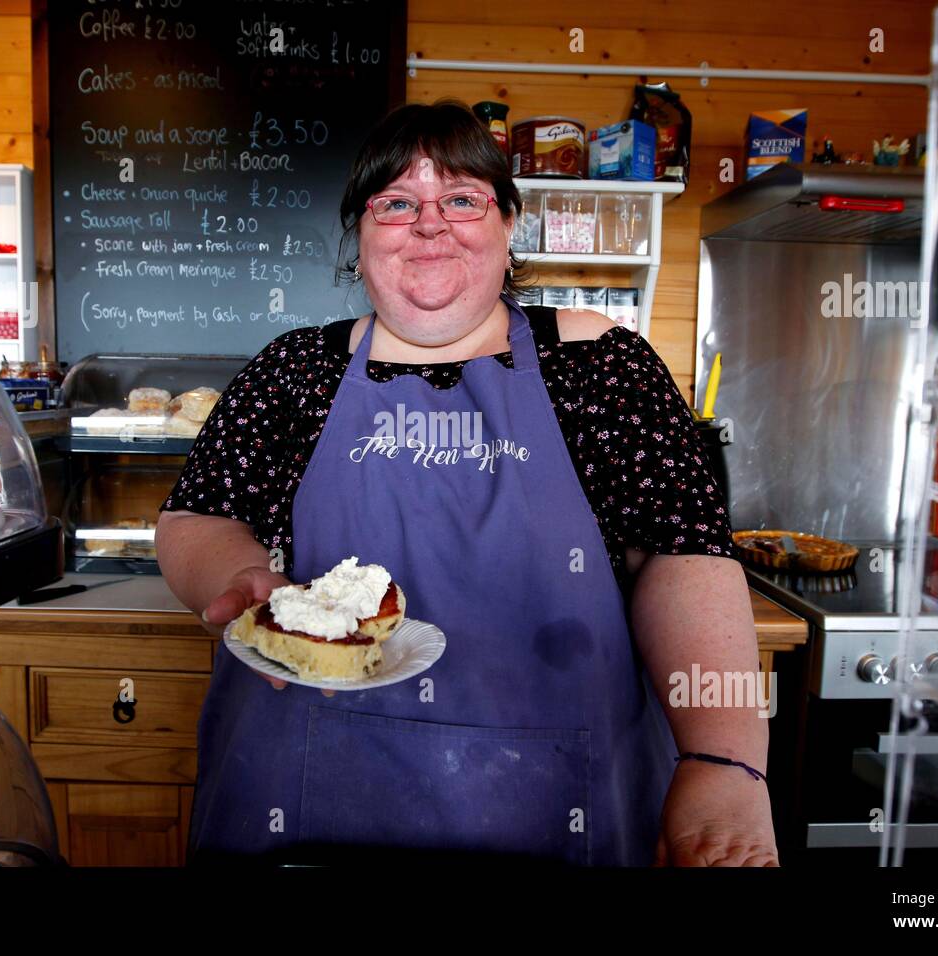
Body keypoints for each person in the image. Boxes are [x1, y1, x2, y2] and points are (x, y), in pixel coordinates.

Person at [156, 99, 777, 866]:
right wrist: (240, 577)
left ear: (508, 225)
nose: (429, 224)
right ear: (359, 232)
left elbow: (685, 558)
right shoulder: (293, 371)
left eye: (461, 199)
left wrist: (723, 761)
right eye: (396, 203)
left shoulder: (600, 365)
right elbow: (195, 518)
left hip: (559, 803)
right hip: (306, 802)